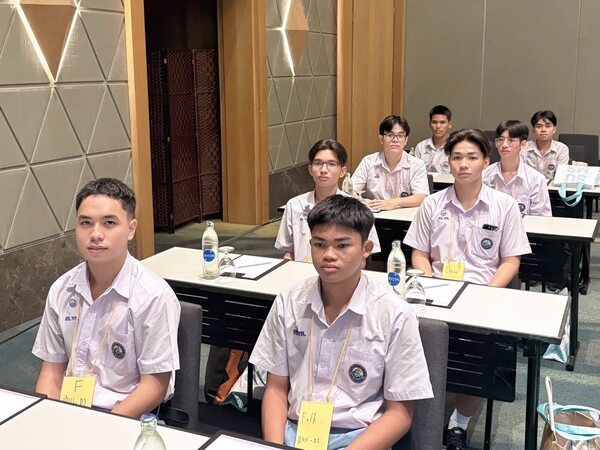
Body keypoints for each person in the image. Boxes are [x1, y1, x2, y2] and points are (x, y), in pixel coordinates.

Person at [251, 195, 433, 450]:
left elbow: (400, 413)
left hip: (360, 437)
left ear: (366, 249)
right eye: (319, 244)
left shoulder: (393, 314)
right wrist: (276, 447)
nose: (329, 255)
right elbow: (276, 389)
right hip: (294, 432)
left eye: (342, 245)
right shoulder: (289, 302)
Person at [404, 129, 531, 450]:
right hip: (435, 295)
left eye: (472, 157)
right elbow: (419, 253)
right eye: (457, 157)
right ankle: (413, 416)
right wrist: (429, 283)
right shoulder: (432, 204)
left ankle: (458, 423)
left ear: (486, 162)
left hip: (482, 296)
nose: (463, 164)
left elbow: (511, 261)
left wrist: (486, 294)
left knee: (477, 362)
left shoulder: (503, 206)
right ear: (448, 162)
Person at [32, 178, 181, 419]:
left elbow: (155, 385)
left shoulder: (153, 296)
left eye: (109, 223)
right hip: (68, 413)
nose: (96, 234)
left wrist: (101, 426)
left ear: (131, 229)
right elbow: (50, 372)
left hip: (126, 418)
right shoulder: (62, 289)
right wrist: (48, 418)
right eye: (86, 223)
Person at [276, 138, 381, 262]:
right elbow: (289, 252)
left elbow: (363, 257)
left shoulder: (357, 207)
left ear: (342, 171)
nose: (324, 170)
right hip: (302, 271)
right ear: (310, 169)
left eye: (331, 164)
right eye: (318, 163)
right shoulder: (295, 205)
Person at [352, 115, 429, 211]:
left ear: (406, 140)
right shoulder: (368, 162)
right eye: (390, 135)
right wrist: (362, 201)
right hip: (374, 215)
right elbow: (350, 190)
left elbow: (421, 197)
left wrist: (393, 203)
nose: (395, 140)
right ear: (381, 138)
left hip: (404, 216)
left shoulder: (417, 164)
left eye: (400, 136)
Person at [483, 120, 552, 216]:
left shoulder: (536, 179)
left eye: (511, 140)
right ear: (496, 143)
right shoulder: (485, 174)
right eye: (500, 140)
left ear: (523, 144)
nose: (504, 145)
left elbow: (541, 218)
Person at [522, 110, 569, 180]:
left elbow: (561, 177)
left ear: (554, 130)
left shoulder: (562, 149)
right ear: (533, 130)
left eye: (548, 126)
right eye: (539, 126)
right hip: (529, 186)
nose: (543, 130)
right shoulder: (524, 147)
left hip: (552, 186)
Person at [412, 105, 453, 173]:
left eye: (442, 122)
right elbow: (415, 172)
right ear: (430, 124)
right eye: (434, 122)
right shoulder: (421, 147)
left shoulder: (455, 147)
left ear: (449, 124)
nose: (438, 126)